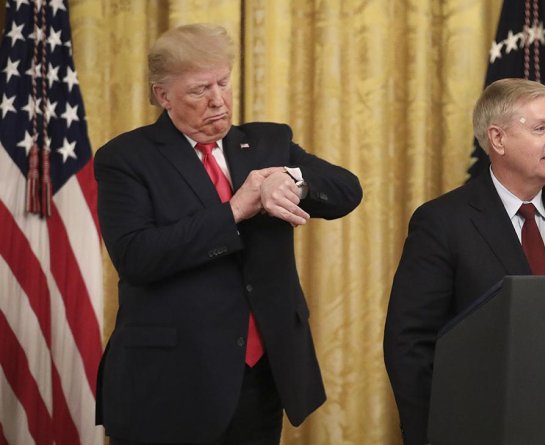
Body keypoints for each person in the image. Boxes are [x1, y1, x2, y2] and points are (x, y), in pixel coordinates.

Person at [94, 24, 362, 445]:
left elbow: (347, 190)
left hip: (259, 377)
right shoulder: (126, 158)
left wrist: (292, 179)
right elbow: (136, 256)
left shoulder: (268, 143)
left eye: (223, 82)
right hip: (170, 381)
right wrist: (235, 210)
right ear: (163, 96)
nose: (218, 100)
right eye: (200, 90)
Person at [383, 78, 545, 445]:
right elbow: (409, 343)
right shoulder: (443, 222)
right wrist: (433, 432)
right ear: (498, 139)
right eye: (540, 128)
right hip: (484, 424)